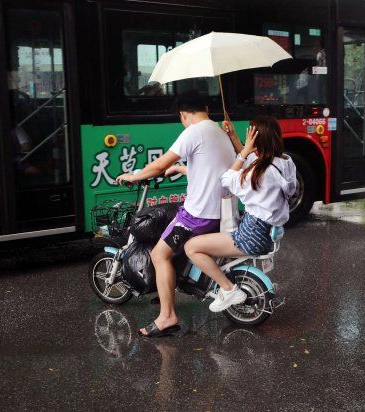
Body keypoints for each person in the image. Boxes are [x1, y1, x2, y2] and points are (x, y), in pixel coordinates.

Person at [115, 91, 235, 337]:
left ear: (183, 114)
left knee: (159, 254)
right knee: (169, 232)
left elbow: (158, 165)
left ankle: (167, 317)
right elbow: (210, 169)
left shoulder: (194, 131)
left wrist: (133, 176)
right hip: (219, 211)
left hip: (197, 214)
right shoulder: (220, 132)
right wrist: (181, 168)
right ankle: (169, 287)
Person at [183, 116, 296, 312]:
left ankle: (228, 289)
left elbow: (225, 179)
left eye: (249, 135)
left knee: (191, 247)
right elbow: (253, 159)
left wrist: (243, 152)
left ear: (255, 140)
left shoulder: (257, 174)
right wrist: (235, 137)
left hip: (251, 236)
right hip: (267, 232)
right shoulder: (285, 163)